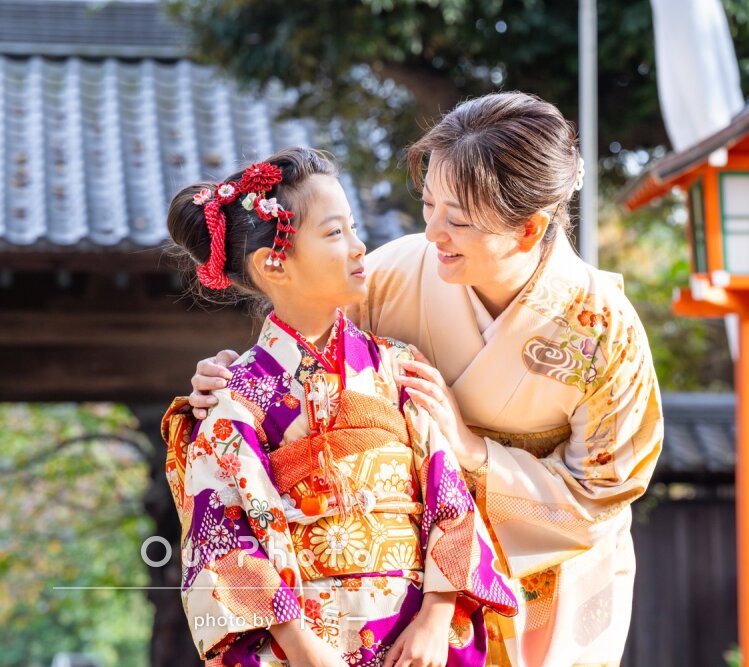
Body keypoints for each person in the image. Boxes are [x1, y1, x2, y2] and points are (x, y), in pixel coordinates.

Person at [188, 93, 664, 667]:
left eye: (457, 220)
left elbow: (600, 493)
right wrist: (230, 382)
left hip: (544, 580)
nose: (432, 232)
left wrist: (472, 452)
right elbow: (304, 350)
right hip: (377, 599)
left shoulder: (603, 331)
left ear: (528, 229)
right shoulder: (394, 274)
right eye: (429, 204)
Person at [162, 147, 517, 667]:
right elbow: (224, 539)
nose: (358, 246)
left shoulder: (398, 366)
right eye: (334, 233)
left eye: (353, 227)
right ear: (273, 262)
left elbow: (449, 497)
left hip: (416, 638)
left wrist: (436, 618)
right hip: (302, 643)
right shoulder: (233, 397)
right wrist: (301, 647)